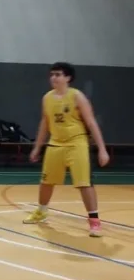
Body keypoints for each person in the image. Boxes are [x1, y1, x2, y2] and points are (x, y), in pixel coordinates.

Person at [24, 62, 109, 237]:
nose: (53, 78)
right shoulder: (47, 98)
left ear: (68, 78)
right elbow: (45, 123)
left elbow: (91, 122)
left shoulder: (77, 96)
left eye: (58, 74)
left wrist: (102, 149)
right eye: (52, 74)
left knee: (84, 183)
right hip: (55, 143)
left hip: (77, 143)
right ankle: (41, 211)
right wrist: (37, 147)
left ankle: (94, 221)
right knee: (46, 181)